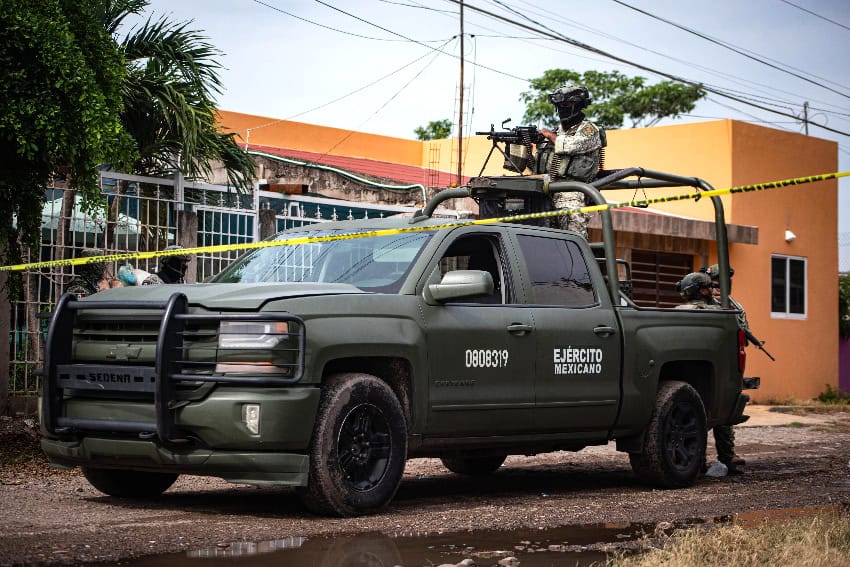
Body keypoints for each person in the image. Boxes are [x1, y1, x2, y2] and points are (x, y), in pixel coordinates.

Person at [536, 83, 604, 237]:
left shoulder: (589, 130)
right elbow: (534, 164)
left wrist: (548, 136)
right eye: (559, 105)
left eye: (566, 104)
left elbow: (572, 145)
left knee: (573, 240)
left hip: (573, 193)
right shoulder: (555, 131)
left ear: (578, 105)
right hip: (547, 194)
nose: (562, 108)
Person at [704, 264, 748, 474]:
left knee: (725, 411)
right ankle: (697, 458)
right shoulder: (700, 304)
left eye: (722, 284)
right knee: (701, 411)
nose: (717, 288)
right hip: (704, 367)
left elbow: (743, 332)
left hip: (728, 365)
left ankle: (727, 454)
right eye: (713, 284)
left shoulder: (734, 305)